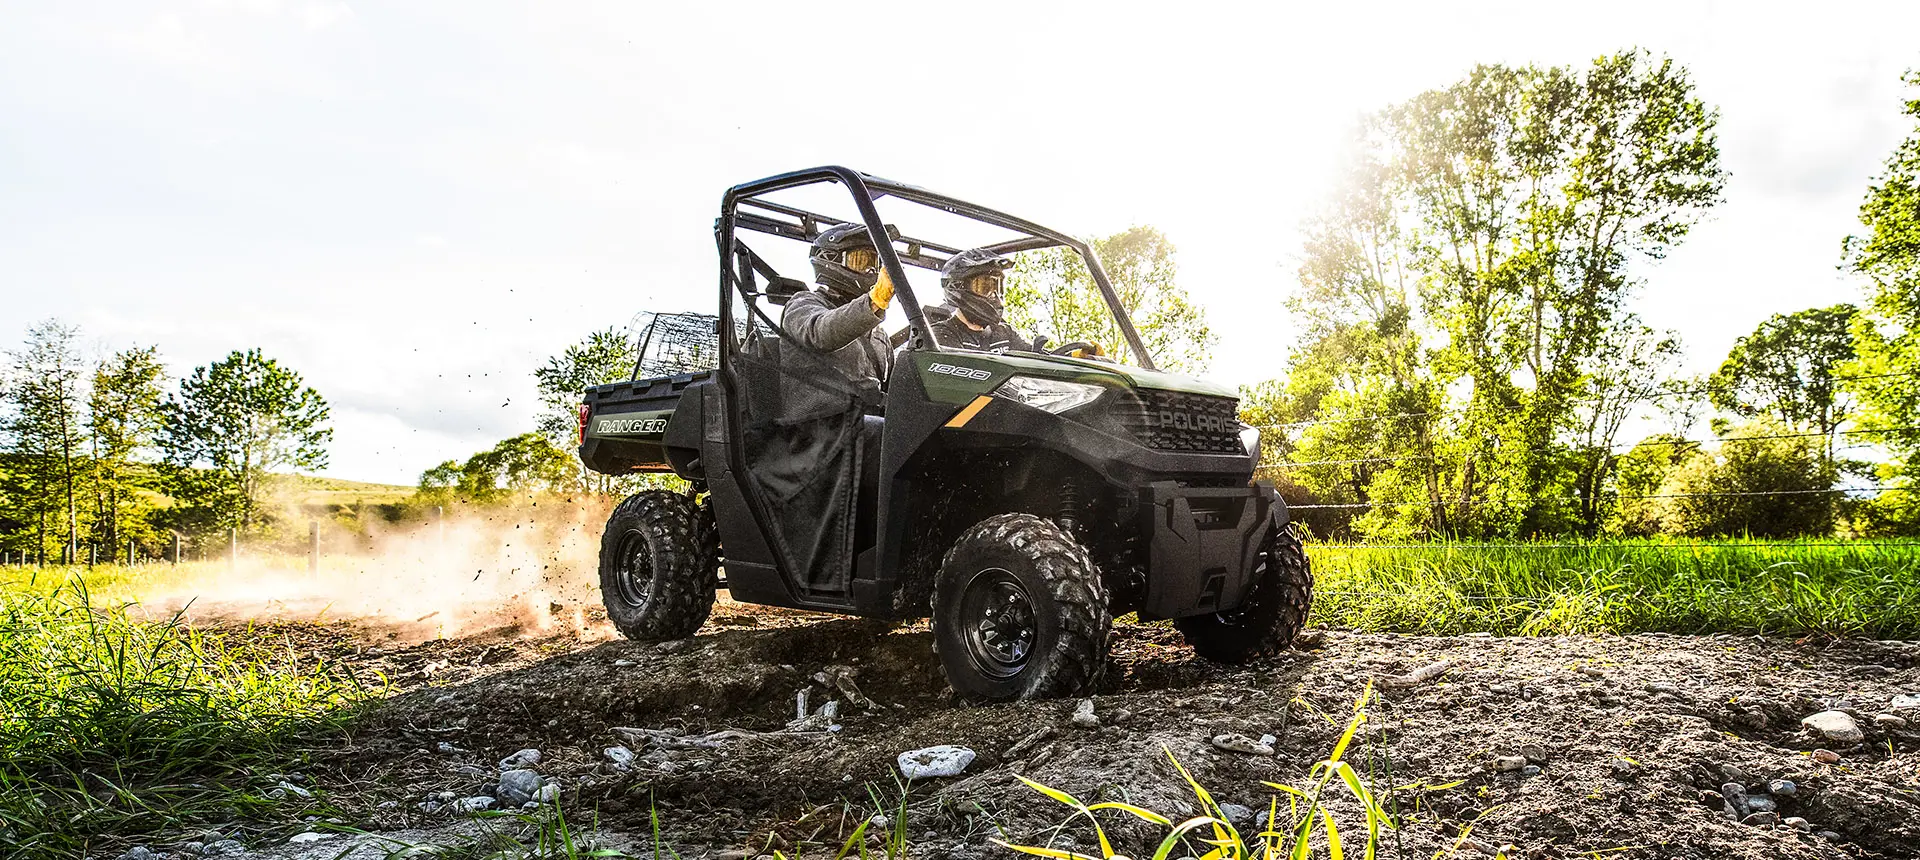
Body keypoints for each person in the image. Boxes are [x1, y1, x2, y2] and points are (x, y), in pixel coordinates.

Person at [781, 223, 897, 388]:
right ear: (830, 259)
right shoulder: (802, 303)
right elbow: (819, 332)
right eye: (860, 261)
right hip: (820, 413)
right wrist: (874, 301)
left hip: (871, 413)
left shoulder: (879, 334)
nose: (871, 271)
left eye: (874, 264)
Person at [927, 248, 1033, 352]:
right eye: (984, 287)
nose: (994, 295)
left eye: (997, 287)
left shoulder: (1004, 332)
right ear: (958, 287)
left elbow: (1032, 357)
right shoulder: (942, 334)